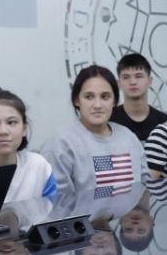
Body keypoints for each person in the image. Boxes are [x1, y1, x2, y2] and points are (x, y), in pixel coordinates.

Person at [42, 65, 146, 201]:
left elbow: (145, 188)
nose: (97, 105)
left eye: (105, 97)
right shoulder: (60, 145)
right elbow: (58, 204)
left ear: (114, 101)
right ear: (77, 100)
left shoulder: (129, 138)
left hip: (128, 215)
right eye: (89, 97)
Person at [110, 52, 167, 141]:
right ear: (119, 83)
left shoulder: (166, 123)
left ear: (150, 81)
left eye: (138, 76)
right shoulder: (109, 120)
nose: (133, 82)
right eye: (126, 77)